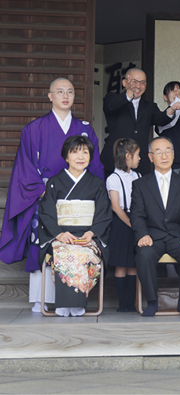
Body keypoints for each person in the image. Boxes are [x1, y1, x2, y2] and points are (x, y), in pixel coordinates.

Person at [0, 77, 103, 313]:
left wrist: (92, 190)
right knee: (45, 241)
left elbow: (95, 165)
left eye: (70, 92)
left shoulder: (85, 129)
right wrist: (41, 189)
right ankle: (41, 297)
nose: (65, 96)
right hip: (46, 195)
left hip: (79, 199)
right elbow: (25, 165)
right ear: (50, 96)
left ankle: (75, 298)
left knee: (77, 244)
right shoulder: (34, 129)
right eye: (60, 91)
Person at [37, 136, 112, 316]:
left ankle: (78, 303)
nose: (80, 157)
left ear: (90, 156)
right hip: (61, 235)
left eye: (85, 152)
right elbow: (46, 212)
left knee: (82, 253)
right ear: (66, 157)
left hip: (88, 235)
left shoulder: (97, 183)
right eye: (75, 152)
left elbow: (104, 212)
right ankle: (64, 304)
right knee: (65, 253)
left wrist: (92, 232)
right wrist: (58, 234)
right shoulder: (55, 182)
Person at [131, 137, 180, 317]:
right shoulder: (140, 184)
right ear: (150, 157)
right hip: (153, 236)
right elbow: (137, 214)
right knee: (144, 254)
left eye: (167, 151)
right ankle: (152, 302)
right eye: (159, 152)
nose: (164, 156)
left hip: (177, 237)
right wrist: (142, 235)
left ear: (173, 154)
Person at [101, 68, 176, 177]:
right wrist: (129, 94)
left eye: (142, 83)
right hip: (115, 158)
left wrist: (172, 108)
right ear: (124, 82)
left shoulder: (149, 106)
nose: (138, 86)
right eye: (134, 82)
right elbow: (111, 107)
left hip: (140, 161)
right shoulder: (112, 99)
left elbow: (161, 119)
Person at [106, 138, 141, 312]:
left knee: (133, 264)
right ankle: (122, 303)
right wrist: (131, 223)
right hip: (121, 222)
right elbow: (115, 206)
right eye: (137, 155)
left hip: (136, 219)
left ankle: (132, 302)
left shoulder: (137, 176)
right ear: (128, 156)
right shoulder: (113, 178)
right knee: (121, 264)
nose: (139, 158)